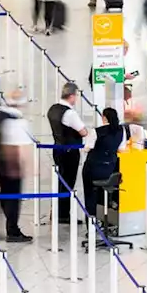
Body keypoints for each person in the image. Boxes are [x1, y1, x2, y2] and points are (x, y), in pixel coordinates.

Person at [0, 90, 33, 242]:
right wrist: (28, 166)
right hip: (12, 165)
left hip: (0, 161)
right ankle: (13, 231)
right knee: (14, 198)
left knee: (5, 193)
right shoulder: (17, 120)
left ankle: (10, 226)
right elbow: (22, 147)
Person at [48, 82, 89, 224]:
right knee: (68, 182)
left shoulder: (53, 109)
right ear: (71, 95)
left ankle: (57, 211)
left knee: (60, 180)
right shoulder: (70, 113)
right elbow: (83, 131)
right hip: (70, 152)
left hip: (57, 148)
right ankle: (63, 214)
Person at [83, 108, 129, 223]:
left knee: (89, 194)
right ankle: (105, 218)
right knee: (101, 191)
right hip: (110, 170)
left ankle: (91, 221)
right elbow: (122, 149)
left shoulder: (96, 132)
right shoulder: (121, 130)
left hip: (94, 169)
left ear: (104, 118)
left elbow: (87, 149)